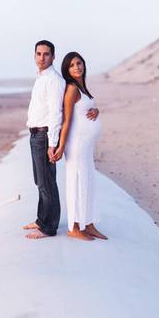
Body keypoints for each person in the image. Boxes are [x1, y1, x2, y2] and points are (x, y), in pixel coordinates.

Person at [52, 52, 106, 241]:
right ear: (67, 70)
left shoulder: (82, 87)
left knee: (88, 180)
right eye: (72, 65)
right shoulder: (72, 89)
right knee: (76, 181)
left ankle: (88, 224)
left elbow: (85, 110)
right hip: (76, 144)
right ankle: (74, 227)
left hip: (86, 145)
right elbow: (66, 121)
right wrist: (60, 146)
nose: (77, 67)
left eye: (79, 63)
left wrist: (96, 110)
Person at [23, 40, 66, 239]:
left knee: (47, 182)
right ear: (34, 56)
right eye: (38, 54)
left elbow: (56, 114)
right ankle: (41, 219)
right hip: (35, 134)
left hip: (44, 136)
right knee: (40, 181)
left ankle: (49, 227)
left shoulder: (54, 80)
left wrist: (52, 143)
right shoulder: (41, 78)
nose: (42, 57)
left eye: (46, 54)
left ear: (53, 56)